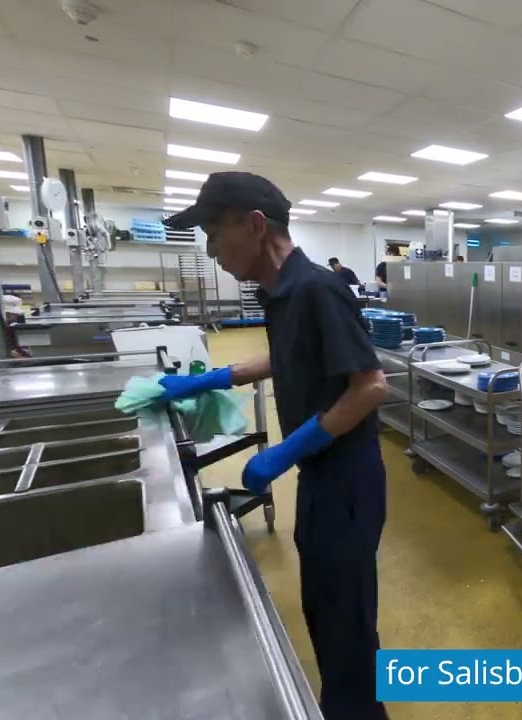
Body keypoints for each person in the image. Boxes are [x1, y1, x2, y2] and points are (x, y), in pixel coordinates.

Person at [160, 172, 389, 720]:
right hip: (321, 475)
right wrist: (214, 378)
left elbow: (371, 386)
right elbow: (288, 355)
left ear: (255, 225)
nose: (212, 251)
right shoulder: (280, 293)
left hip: (347, 479)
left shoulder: (316, 289)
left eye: (215, 234)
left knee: (345, 619)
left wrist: (288, 449)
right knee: (326, 608)